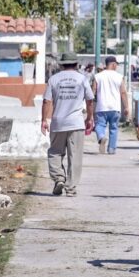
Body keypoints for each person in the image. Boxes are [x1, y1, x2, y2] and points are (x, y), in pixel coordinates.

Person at [41, 52, 94, 197]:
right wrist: (90, 118)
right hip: (76, 123)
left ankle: (58, 178)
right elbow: (90, 100)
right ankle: (70, 188)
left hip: (58, 122)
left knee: (55, 153)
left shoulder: (54, 79)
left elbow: (46, 101)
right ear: (76, 64)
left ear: (61, 64)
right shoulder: (82, 79)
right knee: (75, 156)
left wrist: (44, 120)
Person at [93, 56, 129, 154]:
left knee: (99, 125)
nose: (116, 66)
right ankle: (111, 149)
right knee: (114, 128)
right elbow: (123, 93)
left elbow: (93, 92)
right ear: (113, 64)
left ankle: (101, 137)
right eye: (116, 64)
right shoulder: (119, 77)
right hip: (115, 108)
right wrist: (126, 107)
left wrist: (91, 105)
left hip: (101, 107)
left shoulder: (98, 76)